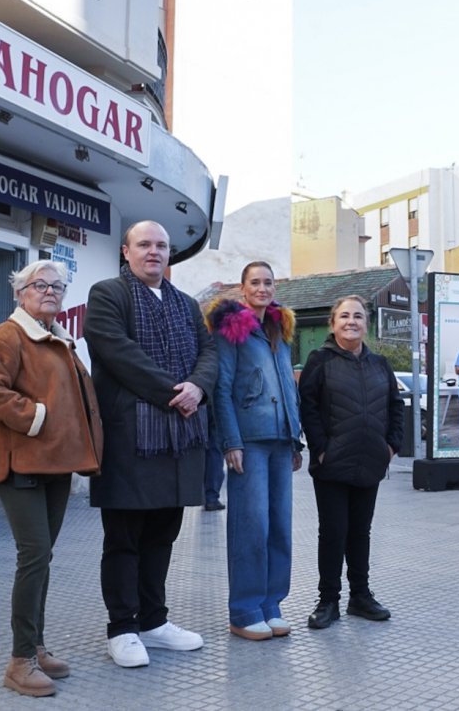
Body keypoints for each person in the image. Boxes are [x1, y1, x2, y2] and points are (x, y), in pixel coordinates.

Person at [85, 220, 218, 668]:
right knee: (124, 539)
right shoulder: (107, 294)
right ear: (126, 252)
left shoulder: (185, 303)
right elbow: (116, 352)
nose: (153, 252)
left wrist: (198, 388)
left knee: (163, 535)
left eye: (161, 246)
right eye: (144, 245)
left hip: (180, 442)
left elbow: (209, 353)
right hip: (130, 440)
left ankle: (155, 622)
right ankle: (122, 628)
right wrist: (173, 392)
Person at [0, 261, 103, 697]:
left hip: (54, 465)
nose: (49, 291)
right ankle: (20, 660)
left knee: (42, 558)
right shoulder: (6, 337)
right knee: (34, 556)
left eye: (57, 286)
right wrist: (37, 417)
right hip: (22, 463)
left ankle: (37, 646)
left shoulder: (58, 338)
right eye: (39, 285)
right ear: (20, 292)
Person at [203, 261, 302, 642]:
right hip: (249, 441)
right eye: (255, 283)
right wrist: (231, 442)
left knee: (280, 527)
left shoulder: (281, 329)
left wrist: (296, 439)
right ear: (242, 289)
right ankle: (244, 610)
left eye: (268, 282)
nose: (263, 288)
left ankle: (271, 605)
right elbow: (222, 389)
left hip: (281, 441)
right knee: (251, 527)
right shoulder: (232, 330)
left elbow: (289, 388)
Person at [299, 295, 402, 630]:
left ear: (366, 324)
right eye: (344, 316)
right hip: (332, 464)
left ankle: (361, 596)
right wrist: (320, 449)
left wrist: (391, 446)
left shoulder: (380, 364)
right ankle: (328, 600)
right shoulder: (319, 360)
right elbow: (309, 407)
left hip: (370, 461)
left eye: (358, 316)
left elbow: (395, 406)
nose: (351, 322)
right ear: (333, 323)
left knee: (361, 532)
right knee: (333, 532)